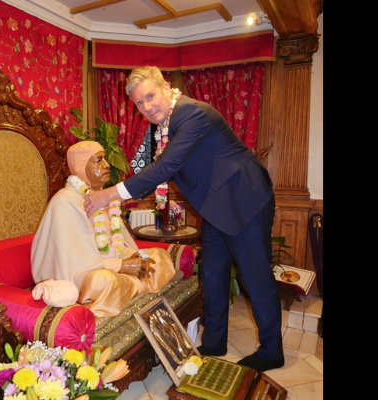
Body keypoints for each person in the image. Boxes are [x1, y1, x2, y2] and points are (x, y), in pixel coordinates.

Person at [82, 66, 284, 372]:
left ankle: (272, 351)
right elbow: (158, 172)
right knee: (213, 275)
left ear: (166, 88)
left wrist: (107, 194)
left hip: (244, 201)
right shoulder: (166, 126)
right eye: (139, 103)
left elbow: (165, 167)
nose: (147, 107)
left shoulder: (191, 114)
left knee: (256, 279)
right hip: (216, 208)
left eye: (150, 96)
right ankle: (214, 341)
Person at [30, 140, 180, 318]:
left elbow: (112, 244)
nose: (107, 165)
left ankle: (129, 288)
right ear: (80, 166)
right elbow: (76, 262)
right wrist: (122, 266)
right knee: (105, 282)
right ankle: (134, 287)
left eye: (105, 159)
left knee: (159, 257)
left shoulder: (101, 196)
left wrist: (134, 257)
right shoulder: (65, 201)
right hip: (80, 274)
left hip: (108, 264)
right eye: (98, 160)